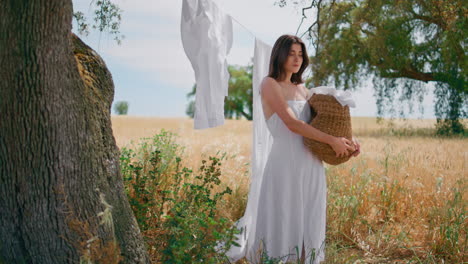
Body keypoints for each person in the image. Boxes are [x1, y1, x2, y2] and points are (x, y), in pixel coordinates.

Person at [224, 34, 361, 264]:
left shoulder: (304, 89)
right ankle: (276, 258)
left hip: (312, 162)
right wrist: (331, 141)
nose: (297, 59)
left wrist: (349, 141)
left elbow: (324, 121)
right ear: (279, 55)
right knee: (284, 212)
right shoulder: (269, 84)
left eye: (300, 54)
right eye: (291, 53)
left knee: (310, 212)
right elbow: (292, 124)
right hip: (284, 162)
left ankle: (307, 259)